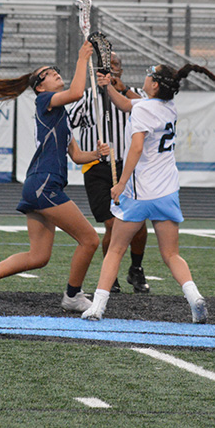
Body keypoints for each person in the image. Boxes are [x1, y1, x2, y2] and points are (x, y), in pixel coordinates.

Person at [0, 41, 109, 313]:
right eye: (49, 72)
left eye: (55, 70)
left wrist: (98, 154)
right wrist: (82, 58)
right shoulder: (45, 101)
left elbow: (77, 156)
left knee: (38, 256)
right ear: (40, 86)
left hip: (39, 184)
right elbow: (78, 91)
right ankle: (72, 295)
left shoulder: (60, 114)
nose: (55, 72)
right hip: (45, 184)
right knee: (89, 239)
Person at [82, 63, 215, 324]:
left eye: (149, 74)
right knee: (171, 254)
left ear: (156, 84)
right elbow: (128, 105)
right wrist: (110, 88)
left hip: (139, 192)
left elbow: (136, 148)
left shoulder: (144, 109)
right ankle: (194, 297)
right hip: (167, 191)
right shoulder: (167, 106)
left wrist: (121, 183)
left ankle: (97, 307)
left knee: (115, 249)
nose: (146, 77)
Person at [68, 52, 150, 294]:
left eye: (113, 65)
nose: (109, 69)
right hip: (98, 167)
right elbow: (68, 121)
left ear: (120, 71)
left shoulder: (135, 94)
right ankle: (109, 273)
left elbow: (149, 110)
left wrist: (122, 90)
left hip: (129, 167)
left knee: (138, 224)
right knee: (113, 223)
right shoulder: (86, 97)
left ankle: (136, 268)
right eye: (103, 66)